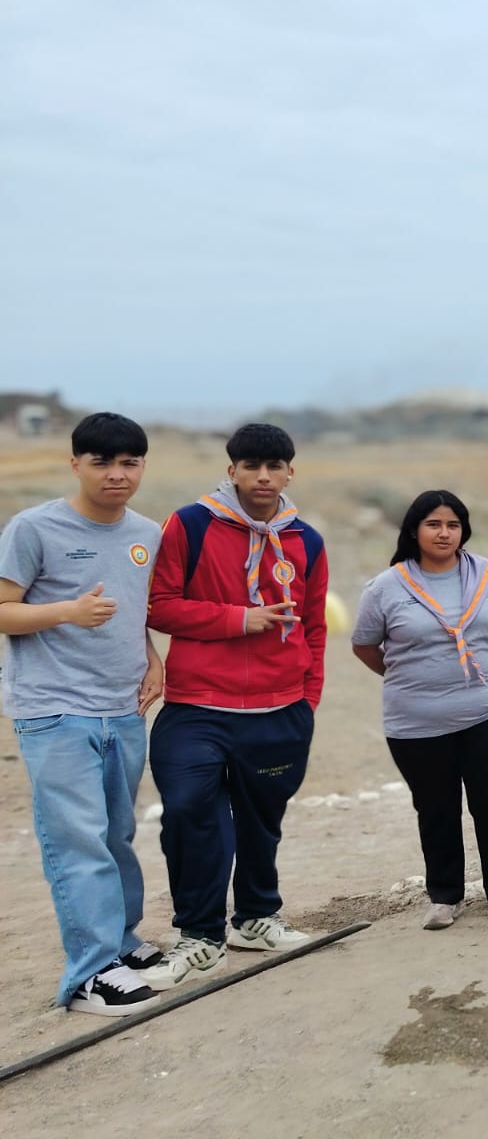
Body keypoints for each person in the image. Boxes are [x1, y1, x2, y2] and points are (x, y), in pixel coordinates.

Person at [142, 423, 327, 989]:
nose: (263, 476)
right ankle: (200, 937)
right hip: (196, 706)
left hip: (280, 709)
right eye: (251, 466)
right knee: (187, 812)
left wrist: (307, 700)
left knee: (261, 822)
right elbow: (158, 606)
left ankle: (256, 918)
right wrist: (238, 620)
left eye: (274, 467)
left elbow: (314, 627)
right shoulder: (190, 524)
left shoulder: (307, 541)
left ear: (290, 473)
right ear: (232, 471)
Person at [0, 413, 165, 1015]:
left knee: (116, 835)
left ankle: (121, 942)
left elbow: (134, 612)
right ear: (76, 465)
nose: (117, 474)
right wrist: (66, 611)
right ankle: (91, 975)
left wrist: (152, 657)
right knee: (78, 841)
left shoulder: (147, 532)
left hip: (122, 707)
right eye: (102, 462)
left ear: (142, 466)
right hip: (55, 709)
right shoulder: (33, 527)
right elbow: (4, 609)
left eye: (129, 463)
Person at [352, 490, 488, 929]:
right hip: (416, 721)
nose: (444, 533)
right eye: (433, 524)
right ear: (414, 530)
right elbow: (365, 646)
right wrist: (413, 676)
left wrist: (470, 668)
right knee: (436, 808)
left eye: (453, 525)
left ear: (463, 531)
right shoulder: (386, 586)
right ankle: (445, 896)